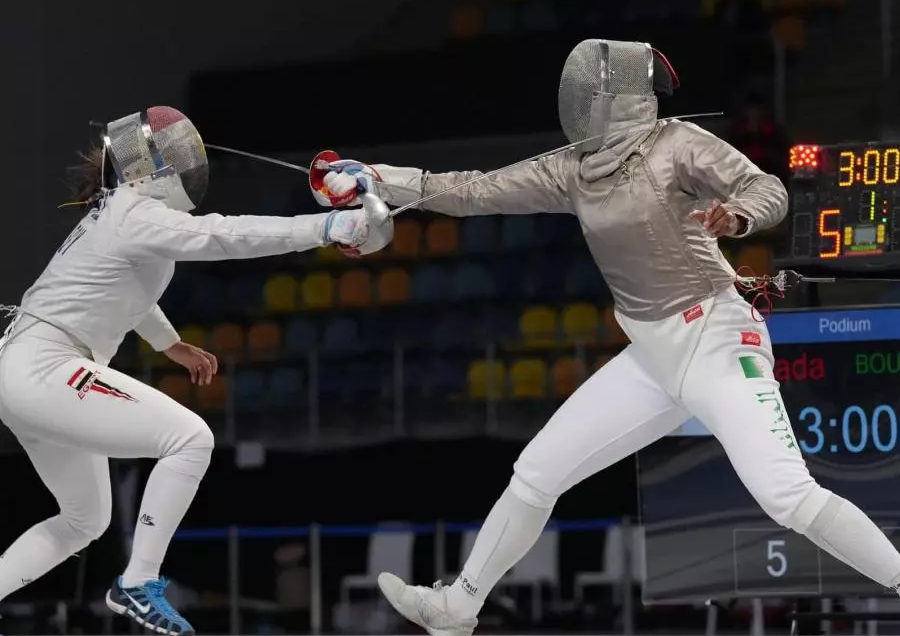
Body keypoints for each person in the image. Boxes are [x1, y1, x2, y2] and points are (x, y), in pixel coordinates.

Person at [314, 40, 900, 636]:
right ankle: (457, 609)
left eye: (584, 92)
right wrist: (376, 177)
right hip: (650, 358)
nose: (573, 102)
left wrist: (738, 215)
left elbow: (767, 187)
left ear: (613, 99)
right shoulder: (573, 169)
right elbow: (471, 190)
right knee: (536, 472)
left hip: (717, 339)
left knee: (787, 496)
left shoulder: (678, 144)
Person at [0, 106, 392, 636]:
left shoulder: (120, 214)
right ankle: (137, 583)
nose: (182, 164)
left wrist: (171, 344)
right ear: (147, 167)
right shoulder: (133, 214)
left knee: (84, 521)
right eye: (170, 156)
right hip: (46, 367)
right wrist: (326, 226)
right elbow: (223, 236)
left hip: (27, 370)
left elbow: (121, 289)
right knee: (190, 439)